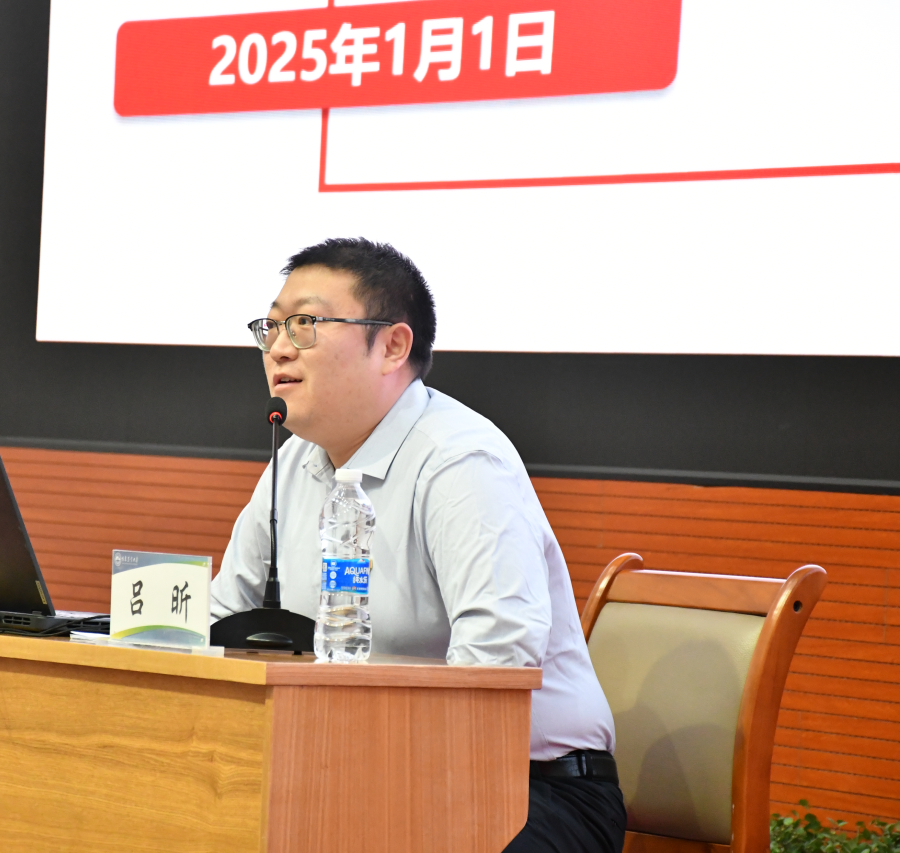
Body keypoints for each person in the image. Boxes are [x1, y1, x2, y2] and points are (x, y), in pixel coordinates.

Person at [211, 238, 625, 853]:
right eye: (271, 326)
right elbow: (220, 624)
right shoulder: (292, 462)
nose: (278, 347)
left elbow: (496, 663)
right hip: (353, 772)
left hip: (530, 788)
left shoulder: (461, 461)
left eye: (305, 324)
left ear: (393, 346)